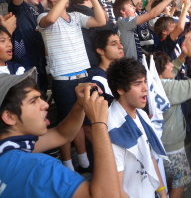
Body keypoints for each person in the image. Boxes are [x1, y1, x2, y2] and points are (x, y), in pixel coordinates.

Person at [0, 68, 120, 198]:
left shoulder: (8, 150)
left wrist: (80, 105)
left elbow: (61, 134)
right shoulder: (40, 168)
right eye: (33, 101)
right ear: (9, 117)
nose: (45, 105)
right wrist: (99, 124)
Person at [37, 0, 106, 171]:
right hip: (63, 80)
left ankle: (84, 161)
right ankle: (68, 165)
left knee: (85, 121)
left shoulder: (76, 16)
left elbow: (101, 21)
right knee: (68, 124)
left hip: (83, 75)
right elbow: (51, 19)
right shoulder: (43, 15)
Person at [107, 58, 168, 198]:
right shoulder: (113, 128)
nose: (145, 88)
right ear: (120, 89)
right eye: (137, 83)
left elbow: (150, 157)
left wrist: (163, 193)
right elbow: (117, 186)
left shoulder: (142, 115)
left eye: (145, 81)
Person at [153, 37, 191, 198]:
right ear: (160, 70)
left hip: (160, 143)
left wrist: (183, 55)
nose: (171, 65)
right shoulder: (167, 87)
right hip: (171, 146)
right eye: (167, 63)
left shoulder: (153, 83)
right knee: (180, 181)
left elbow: (172, 71)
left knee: (169, 181)